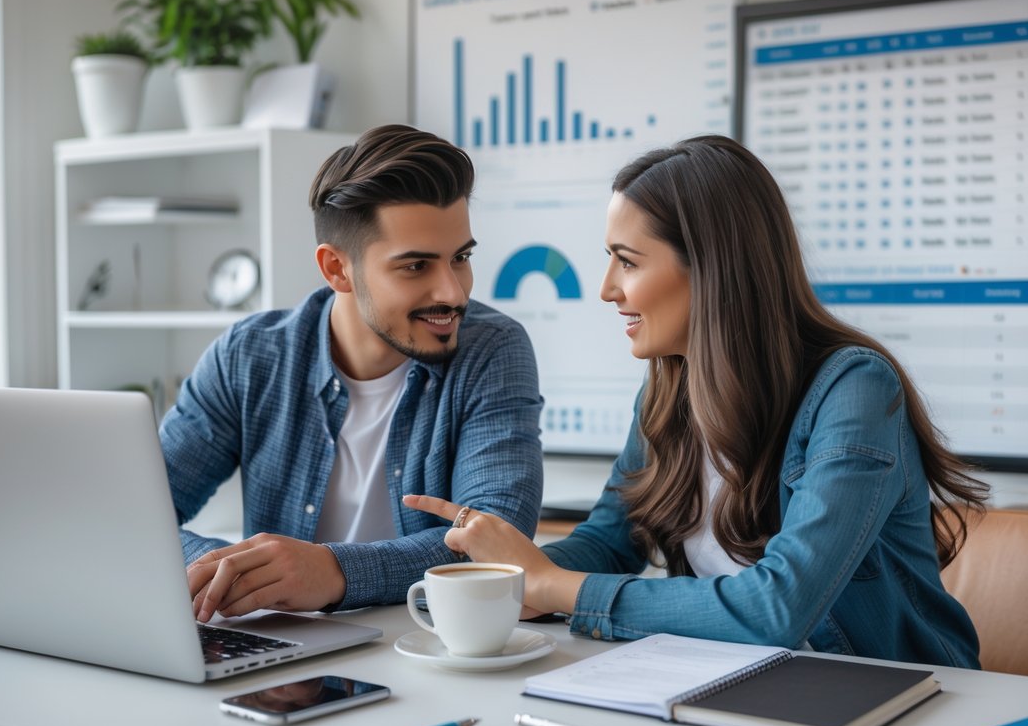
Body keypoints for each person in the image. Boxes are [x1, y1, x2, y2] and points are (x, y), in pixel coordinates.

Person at [405, 135, 989, 668]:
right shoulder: (669, 388)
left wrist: (554, 587)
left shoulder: (854, 389)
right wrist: (508, 575)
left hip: (894, 692)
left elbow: (776, 610)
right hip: (734, 677)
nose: (608, 288)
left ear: (711, 268)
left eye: (627, 261)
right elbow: (610, 542)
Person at [165, 124, 543, 620]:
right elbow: (138, 512)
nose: (453, 292)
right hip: (280, 652)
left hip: (420, 649)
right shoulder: (249, 356)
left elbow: (499, 538)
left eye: (461, 258)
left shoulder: (492, 350)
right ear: (337, 269)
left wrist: (333, 571)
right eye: (415, 267)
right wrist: (223, 569)